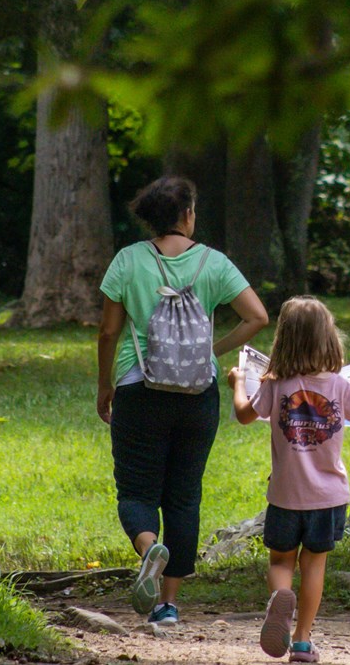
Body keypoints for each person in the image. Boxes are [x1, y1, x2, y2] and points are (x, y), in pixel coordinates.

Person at [97, 175, 269, 627]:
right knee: (184, 496)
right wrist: (212, 350)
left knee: (136, 489)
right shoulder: (214, 263)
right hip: (198, 393)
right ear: (187, 214)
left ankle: (147, 545)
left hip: (138, 389)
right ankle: (167, 606)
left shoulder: (127, 260)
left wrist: (104, 384)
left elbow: (109, 331)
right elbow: (258, 316)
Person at [226, 296, 350, 664]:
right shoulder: (342, 387)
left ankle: (280, 596)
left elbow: (245, 415)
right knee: (315, 565)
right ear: (329, 339)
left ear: (284, 340)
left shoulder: (276, 384)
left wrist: (236, 383)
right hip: (328, 497)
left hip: (284, 495)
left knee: (281, 561)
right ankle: (304, 642)